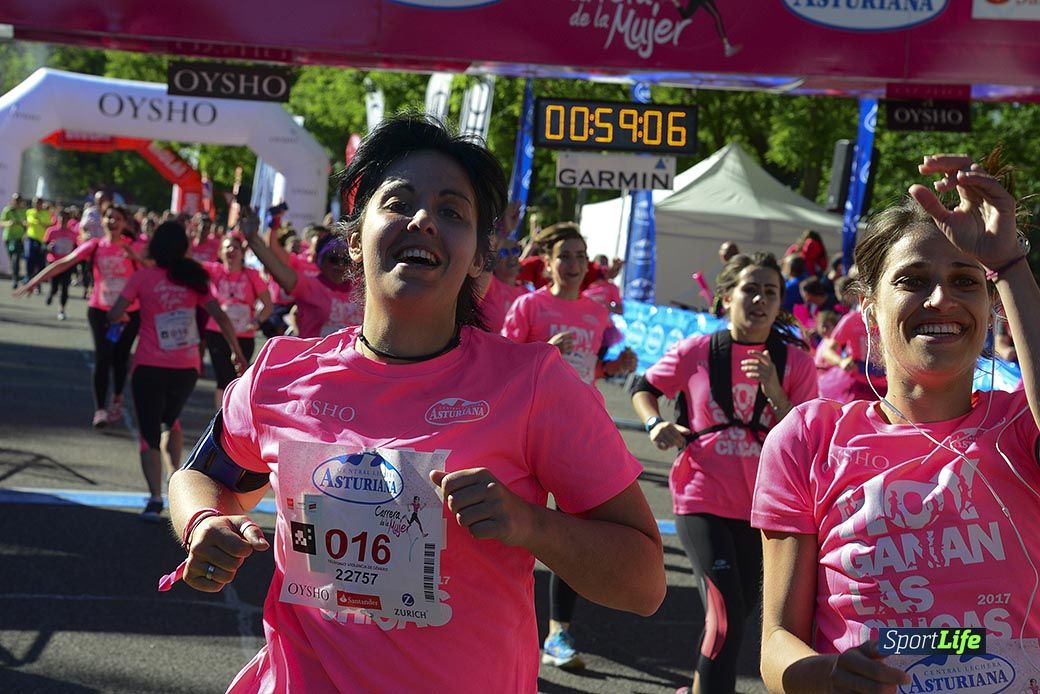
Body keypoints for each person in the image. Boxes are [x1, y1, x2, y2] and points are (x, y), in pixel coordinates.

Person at [165, 114, 665, 692]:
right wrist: (203, 524)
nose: (424, 219)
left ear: (479, 256)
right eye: (399, 202)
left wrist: (532, 524)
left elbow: (644, 584)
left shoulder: (533, 386)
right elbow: (200, 477)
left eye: (452, 212)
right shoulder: (281, 373)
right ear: (355, 239)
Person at [753, 153, 1040, 691]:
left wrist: (1008, 265)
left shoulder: (1022, 427)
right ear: (869, 310)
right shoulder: (809, 438)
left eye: (965, 281)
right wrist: (828, 673)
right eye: (913, 280)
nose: (941, 298)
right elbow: (776, 644)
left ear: (992, 307)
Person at [631, 251, 818, 694]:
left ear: (780, 304)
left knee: (735, 615)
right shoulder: (697, 351)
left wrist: (774, 391)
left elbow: (807, 437)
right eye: (750, 289)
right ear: (727, 297)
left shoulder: (796, 362)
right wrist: (655, 423)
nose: (759, 300)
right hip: (701, 498)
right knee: (726, 618)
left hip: (762, 510)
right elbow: (644, 388)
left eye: (770, 292)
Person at [502, 222, 638, 670]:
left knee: (571, 533)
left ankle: (558, 633)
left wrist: (616, 366)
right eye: (565, 256)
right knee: (514, 530)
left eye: (581, 256)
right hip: (526, 427)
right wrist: (543, 350)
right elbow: (498, 364)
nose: (574, 264)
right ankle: (503, 623)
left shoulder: (596, 313)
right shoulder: (529, 305)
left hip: (579, 429)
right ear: (548, 263)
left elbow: (593, 366)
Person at [109, 221, 246, 521]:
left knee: (149, 430)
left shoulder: (143, 277)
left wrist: (122, 318)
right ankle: (175, 476)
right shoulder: (194, 278)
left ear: (155, 246)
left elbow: (115, 312)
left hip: (149, 365)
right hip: (185, 367)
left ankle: (155, 498)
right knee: (170, 419)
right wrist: (237, 352)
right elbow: (221, 317)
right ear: (184, 247)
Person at [17, 205, 145, 427]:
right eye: (108, 218)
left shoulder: (134, 246)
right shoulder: (94, 246)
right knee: (103, 357)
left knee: (120, 358)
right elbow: (64, 263)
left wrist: (136, 257)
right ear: (102, 222)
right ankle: (100, 410)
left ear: (125, 223)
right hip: (101, 310)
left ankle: (117, 396)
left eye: (117, 218)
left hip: (129, 313)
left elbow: (152, 269)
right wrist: (34, 281)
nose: (112, 222)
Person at [246, 222, 363, 338]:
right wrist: (253, 238)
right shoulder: (310, 285)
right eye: (333, 260)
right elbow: (276, 267)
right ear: (321, 261)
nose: (340, 266)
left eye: (346, 260)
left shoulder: (360, 288)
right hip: (315, 350)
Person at [203, 234, 272, 408]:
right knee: (223, 376)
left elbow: (268, 305)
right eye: (227, 247)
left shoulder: (252, 275)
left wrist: (257, 322)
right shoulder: (214, 270)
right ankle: (220, 416)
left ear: (242, 253)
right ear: (220, 252)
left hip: (244, 334)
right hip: (217, 332)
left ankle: (233, 413)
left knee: (238, 377)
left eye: (235, 247)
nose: (231, 250)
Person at [43, 207, 80, 320]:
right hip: (54, 263)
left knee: (64, 288)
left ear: (68, 220)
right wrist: (48, 248)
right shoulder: (51, 231)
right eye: (61, 218)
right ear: (57, 218)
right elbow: (44, 246)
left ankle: (62, 310)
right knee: (54, 286)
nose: (63, 221)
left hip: (66, 264)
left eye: (65, 219)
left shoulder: (73, 233)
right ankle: (51, 293)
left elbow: (76, 248)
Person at [24, 197, 53, 286]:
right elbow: (28, 222)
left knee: (40, 261)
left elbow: (48, 224)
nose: (36, 205)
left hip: (42, 240)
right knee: (29, 258)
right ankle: (28, 277)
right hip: (31, 238)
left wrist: (39, 221)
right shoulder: (29, 212)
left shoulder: (46, 213)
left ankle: (38, 281)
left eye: (38, 203)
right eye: (35, 203)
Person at [2, 194, 27, 288]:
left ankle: (15, 279)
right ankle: (14, 276)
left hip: (19, 238)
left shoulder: (24, 211)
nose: (17, 202)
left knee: (16, 258)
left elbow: (27, 224)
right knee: (12, 258)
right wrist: (8, 223)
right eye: (16, 200)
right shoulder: (7, 210)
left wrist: (25, 227)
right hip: (9, 238)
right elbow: (1, 223)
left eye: (19, 200)